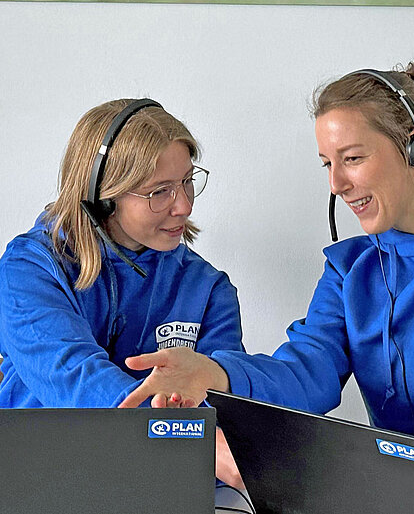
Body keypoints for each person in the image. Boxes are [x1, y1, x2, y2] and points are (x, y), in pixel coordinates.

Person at [119, 62, 414, 486]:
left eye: (353, 158)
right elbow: (307, 371)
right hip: (399, 491)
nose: (336, 184)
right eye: (327, 163)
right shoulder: (350, 269)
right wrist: (219, 374)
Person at [0, 98, 244, 409]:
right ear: (103, 198)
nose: (184, 206)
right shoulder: (27, 271)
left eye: (187, 182)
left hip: (167, 458)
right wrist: (161, 423)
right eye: (160, 191)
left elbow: (225, 406)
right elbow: (77, 382)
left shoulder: (208, 289)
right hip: (38, 456)